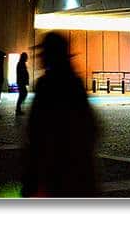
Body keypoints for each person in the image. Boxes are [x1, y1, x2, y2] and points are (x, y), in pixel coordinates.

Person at [21, 32, 98, 197]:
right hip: (77, 172)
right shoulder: (74, 84)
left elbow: (36, 132)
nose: (40, 57)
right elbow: (91, 127)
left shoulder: (46, 85)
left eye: (43, 53)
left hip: (56, 171)